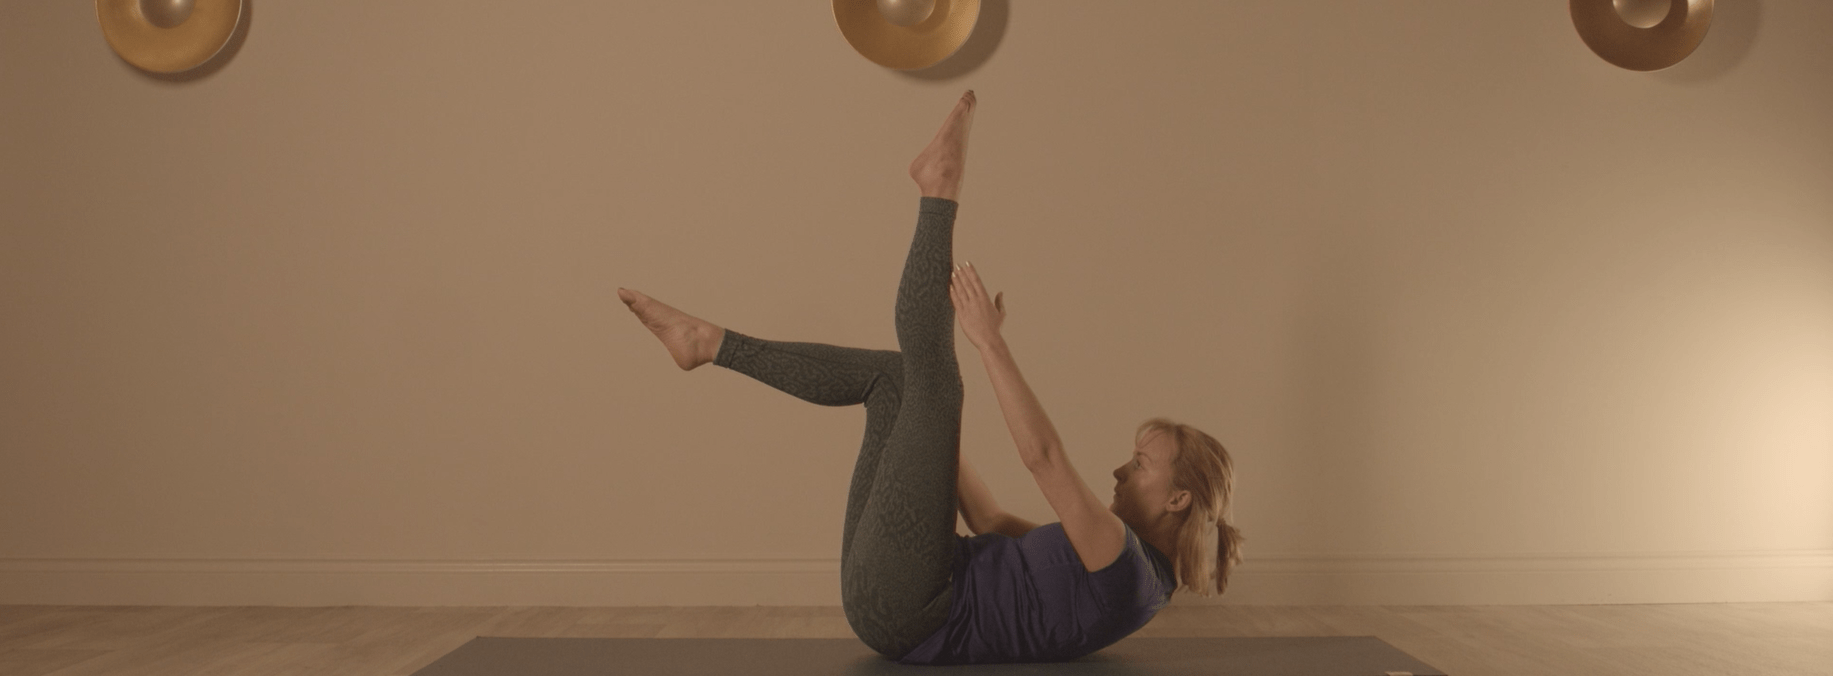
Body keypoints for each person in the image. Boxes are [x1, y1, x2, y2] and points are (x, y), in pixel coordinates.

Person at [616, 91, 1243, 664]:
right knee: (899, 381)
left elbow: (1043, 458)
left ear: (1178, 499)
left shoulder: (1127, 569)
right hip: (897, 587)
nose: (1120, 470)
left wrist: (988, 344)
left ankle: (939, 188)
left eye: (1141, 464)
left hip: (913, 606)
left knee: (934, 382)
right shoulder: (1118, 564)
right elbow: (990, 520)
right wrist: (930, 423)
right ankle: (706, 343)